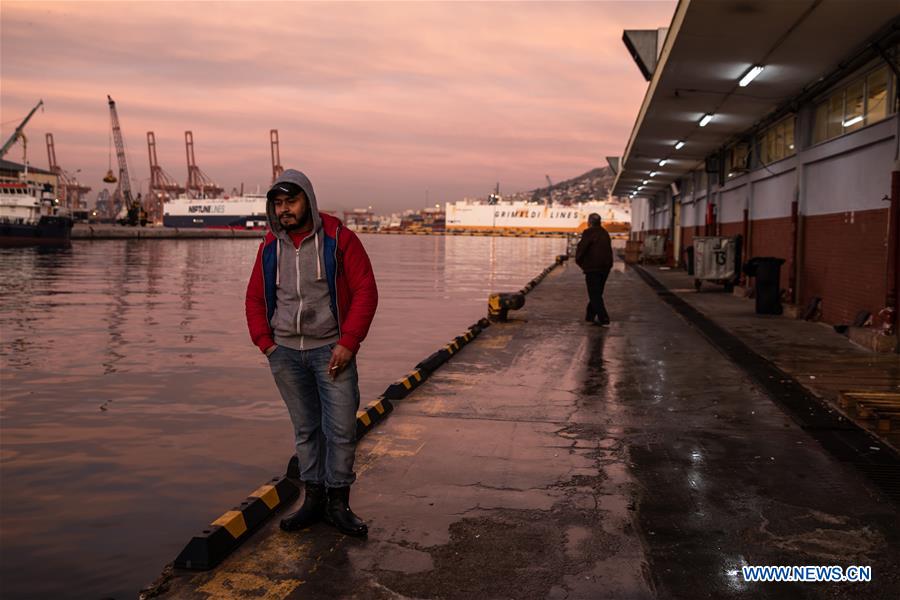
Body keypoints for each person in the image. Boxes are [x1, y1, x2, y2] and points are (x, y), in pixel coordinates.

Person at [245, 169, 378, 537]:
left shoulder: (340, 240)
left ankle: (339, 504)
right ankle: (314, 500)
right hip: (285, 353)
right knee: (306, 430)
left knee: (341, 430)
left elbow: (366, 291)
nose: (285, 210)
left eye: (292, 201)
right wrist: (266, 343)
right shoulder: (270, 246)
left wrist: (348, 342)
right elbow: (255, 297)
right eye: (279, 204)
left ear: (309, 200)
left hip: (332, 353)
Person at [575, 213, 613, 326]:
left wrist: (581, 263)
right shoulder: (605, 233)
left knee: (594, 294)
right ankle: (590, 315)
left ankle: (603, 317)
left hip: (593, 268)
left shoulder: (588, 232)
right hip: (605, 267)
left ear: (590, 222)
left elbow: (581, 249)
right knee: (598, 292)